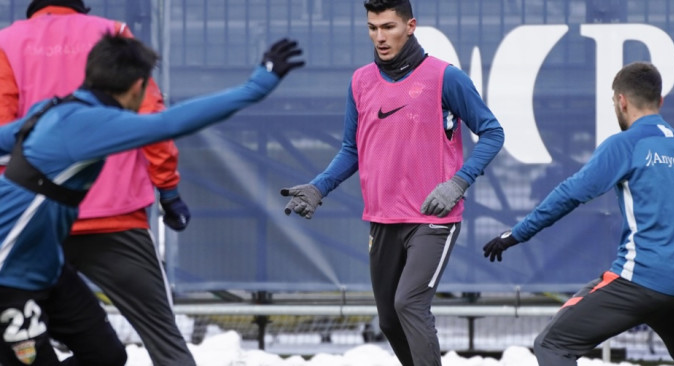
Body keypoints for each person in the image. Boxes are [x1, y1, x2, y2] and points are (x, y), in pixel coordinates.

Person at [0, 34, 303, 365]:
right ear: (138, 87)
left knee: (107, 356)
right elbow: (169, 123)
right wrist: (256, 86)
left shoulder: (54, 110)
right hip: (8, 277)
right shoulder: (91, 122)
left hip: (45, 269)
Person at [280, 1, 504, 364]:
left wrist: (458, 183)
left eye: (388, 27)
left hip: (434, 219)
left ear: (410, 26)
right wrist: (319, 187)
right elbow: (352, 149)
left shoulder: (446, 77)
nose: (380, 37)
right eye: (372, 28)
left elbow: (493, 133)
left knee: (409, 303)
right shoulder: (360, 81)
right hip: (383, 218)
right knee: (389, 319)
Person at [482, 61, 674, 366]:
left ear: (621, 101)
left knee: (552, 345)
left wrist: (516, 234)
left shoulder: (625, 145)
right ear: (660, 101)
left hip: (639, 283)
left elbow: (570, 194)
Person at [0, 1, 193, 364]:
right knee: (165, 341)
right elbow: (151, 118)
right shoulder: (114, 35)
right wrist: (168, 189)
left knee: (16, 344)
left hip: (36, 222)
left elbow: (3, 133)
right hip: (116, 217)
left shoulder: (6, 42)